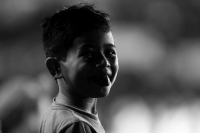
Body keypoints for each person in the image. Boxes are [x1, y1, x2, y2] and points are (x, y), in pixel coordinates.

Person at [39, 3, 119, 133]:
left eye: (110, 52)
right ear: (56, 68)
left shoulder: (54, 114)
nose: (104, 62)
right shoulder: (77, 125)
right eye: (88, 54)